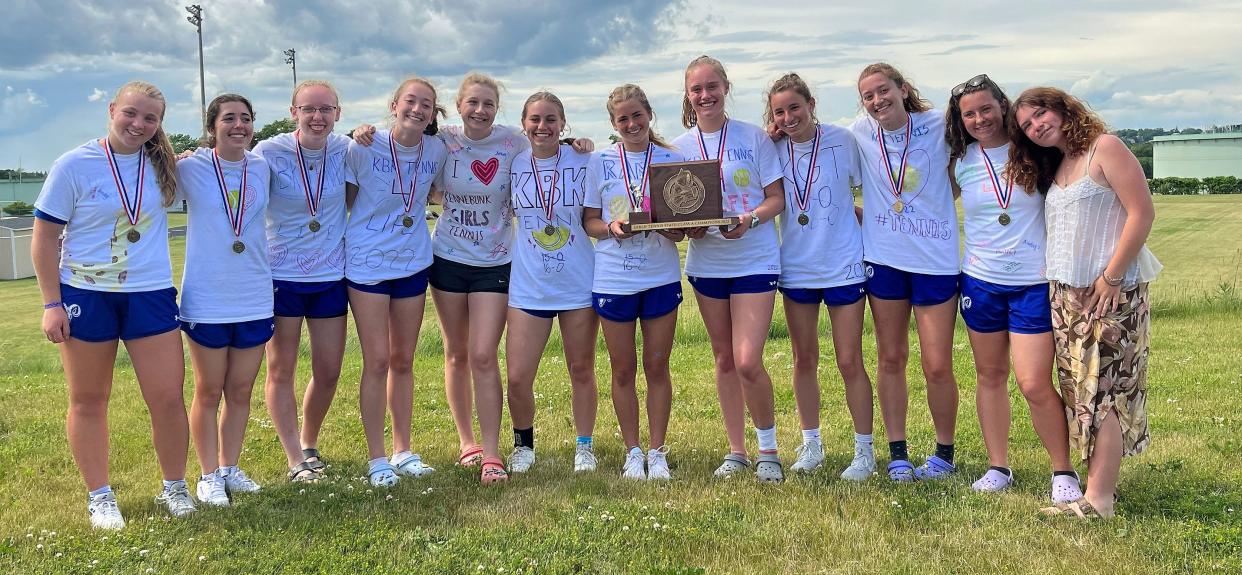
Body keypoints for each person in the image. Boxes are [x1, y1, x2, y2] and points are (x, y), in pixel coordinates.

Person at [33, 81, 195, 528]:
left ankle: (175, 487)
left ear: (159, 124)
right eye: (130, 113)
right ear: (111, 110)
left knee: (166, 398)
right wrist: (52, 303)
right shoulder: (74, 165)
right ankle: (100, 497)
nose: (138, 125)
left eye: (150, 119)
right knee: (88, 399)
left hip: (150, 293)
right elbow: (44, 237)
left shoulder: (163, 167)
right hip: (86, 293)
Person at [1009, 87, 1161, 518]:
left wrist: (1112, 276)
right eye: (1027, 125)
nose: (1037, 126)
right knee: (1082, 393)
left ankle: (1099, 500)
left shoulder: (1104, 147)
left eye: (1040, 114)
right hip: (1065, 297)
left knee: (1105, 390)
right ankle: (1096, 490)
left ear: (1062, 109)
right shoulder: (1058, 164)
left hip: (1108, 292)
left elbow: (1142, 212)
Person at [945, 75, 1082, 502]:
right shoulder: (961, 160)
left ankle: (1063, 471)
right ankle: (997, 466)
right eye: (970, 113)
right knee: (989, 376)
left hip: (1031, 284)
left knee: (1034, 383)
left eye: (986, 108)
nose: (979, 118)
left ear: (1003, 106)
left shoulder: (1035, 152)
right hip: (981, 282)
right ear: (961, 119)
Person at [672, 55, 787, 483]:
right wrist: (688, 229)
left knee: (747, 360)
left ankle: (769, 449)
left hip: (755, 258)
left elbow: (775, 197)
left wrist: (751, 219)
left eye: (712, 87)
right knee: (723, 360)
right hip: (708, 264)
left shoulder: (753, 138)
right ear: (688, 95)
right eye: (697, 89)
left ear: (726, 87)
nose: (705, 95)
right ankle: (737, 451)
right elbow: (675, 214)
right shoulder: (678, 148)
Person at [849, 63, 960, 482]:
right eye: (868, 96)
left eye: (884, 91)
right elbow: (816, 148)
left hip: (935, 263)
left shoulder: (939, 124)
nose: (878, 101)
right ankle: (897, 453)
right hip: (885, 261)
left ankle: (943, 454)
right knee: (891, 358)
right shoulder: (859, 132)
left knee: (937, 365)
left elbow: (974, 158)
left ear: (903, 88)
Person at [765, 73, 876, 479]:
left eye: (795, 107)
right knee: (803, 358)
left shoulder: (842, 140)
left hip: (843, 264)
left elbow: (871, 190)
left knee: (849, 360)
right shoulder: (772, 147)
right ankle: (811, 444)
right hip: (797, 268)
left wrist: (859, 215)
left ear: (811, 104)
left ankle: (864, 452)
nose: (789, 116)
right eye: (780, 111)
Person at [343, 76, 448, 487]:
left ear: (433, 113)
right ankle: (376, 459)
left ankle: (403, 450)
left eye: (426, 104)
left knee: (404, 361)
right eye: (411, 101)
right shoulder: (363, 147)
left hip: (412, 263)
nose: (417, 109)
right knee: (377, 361)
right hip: (367, 265)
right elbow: (348, 201)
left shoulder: (436, 149)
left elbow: (439, 189)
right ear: (394, 105)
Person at [254, 80, 360, 482]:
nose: (318, 117)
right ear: (293, 111)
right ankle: (294, 458)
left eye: (326, 109)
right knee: (280, 369)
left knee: (329, 369)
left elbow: (353, 196)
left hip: (331, 274)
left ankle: (309, 441)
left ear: (338, 112)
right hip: (281, 275)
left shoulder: (347, 150)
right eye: (309, 109)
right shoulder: (269, 151)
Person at [582, 84, 685, 480]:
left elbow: (684, 219)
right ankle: (632, 450)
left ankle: (657, 452)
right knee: (622, 369)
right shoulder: (599, 162)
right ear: (613, 123)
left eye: (637, 115)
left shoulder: (671, 159)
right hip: (613, 279)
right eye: (622, 118)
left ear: (649, 115)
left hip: (659, 275)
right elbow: (590, 220)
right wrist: (611, 226)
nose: (631, 123)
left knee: (658, 366)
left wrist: (678, 231)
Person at [176, 93, 272, 506]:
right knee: (209, 389)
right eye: (229, 118)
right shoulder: (190, 167)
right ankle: (208, 474)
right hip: (208, 296)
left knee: (241, 390)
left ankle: (230, 468)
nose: (239, 125)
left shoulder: (262, 167)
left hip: (254, 294)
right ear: (212, 126)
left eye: (245, 118)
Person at [504, 91, 599, 474]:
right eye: (535, 119)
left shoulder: (584, 159)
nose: (542, 127)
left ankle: (584, 446)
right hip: (528, 285)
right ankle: (523, 445)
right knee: (517, 375)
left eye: (550, 120)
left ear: (563, 124)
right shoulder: (512, 162)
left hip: (577, 282)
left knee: (581, 368)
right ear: (523, 124)